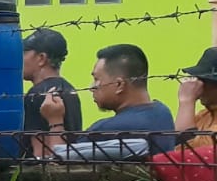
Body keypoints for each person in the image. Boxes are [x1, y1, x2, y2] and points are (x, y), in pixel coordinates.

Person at [40, 43, 175, 158]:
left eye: (97, 79)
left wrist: (55, 121)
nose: (92, 87)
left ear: (119, 85)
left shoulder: (106, 130)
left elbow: (60, 163)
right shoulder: (162, 112)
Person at [22, 29, 82, 157]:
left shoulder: (37, 95)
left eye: (23, 53)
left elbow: (41, 153)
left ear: (41, 58)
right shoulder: (69, 89)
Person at [175, 47, 217, 149]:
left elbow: (187, 155)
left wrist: (186, 102)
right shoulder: (204, 115)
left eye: (204, 80)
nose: (197, 85)